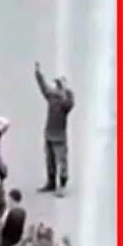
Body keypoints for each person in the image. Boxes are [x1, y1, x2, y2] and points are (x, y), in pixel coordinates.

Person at [34, 62, 75, 196]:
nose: (56, 88)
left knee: (61, 161)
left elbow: (70, 103)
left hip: (60, 137)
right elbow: (43, 87)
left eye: (58, 86)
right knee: (50, 161)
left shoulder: (65, 103)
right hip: (49, 134)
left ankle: (62, 185)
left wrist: (65, 89)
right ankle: (51, 183)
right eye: (56, 85)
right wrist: (38, 73)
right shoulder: (51, 98)